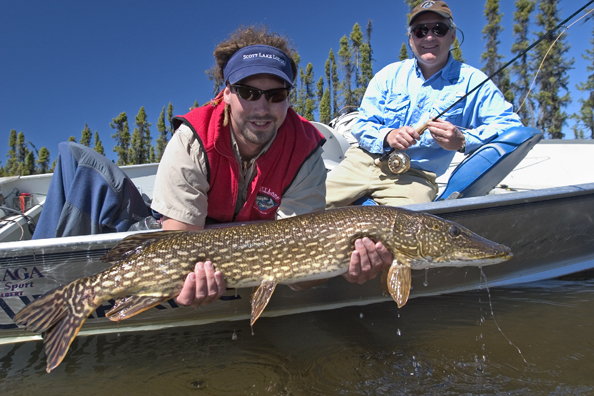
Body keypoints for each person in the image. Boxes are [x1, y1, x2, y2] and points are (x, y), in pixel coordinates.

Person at [150, 26, 393, 307]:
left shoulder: (305, 150)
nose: (262, 108)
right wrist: (182, 284)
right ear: (226, 92)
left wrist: (344, 266)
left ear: (288, 98)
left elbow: (300, 276)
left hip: (258, 265)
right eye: (248, 93)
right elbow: (179, 250)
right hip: (204, 257)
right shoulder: (193, 140)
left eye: (275, 95)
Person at [325, 0, 523, 208]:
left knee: (411, 231)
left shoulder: (474, 81)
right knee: (306, 210)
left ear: (452, 35)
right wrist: (387, 136)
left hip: (415, 177)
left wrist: (463, 140)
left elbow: (511, 127)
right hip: (360, 163)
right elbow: (363, 124)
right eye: (420, 31)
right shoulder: (388, 75)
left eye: (439, 29)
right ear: (411, 40)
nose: (429, 37)